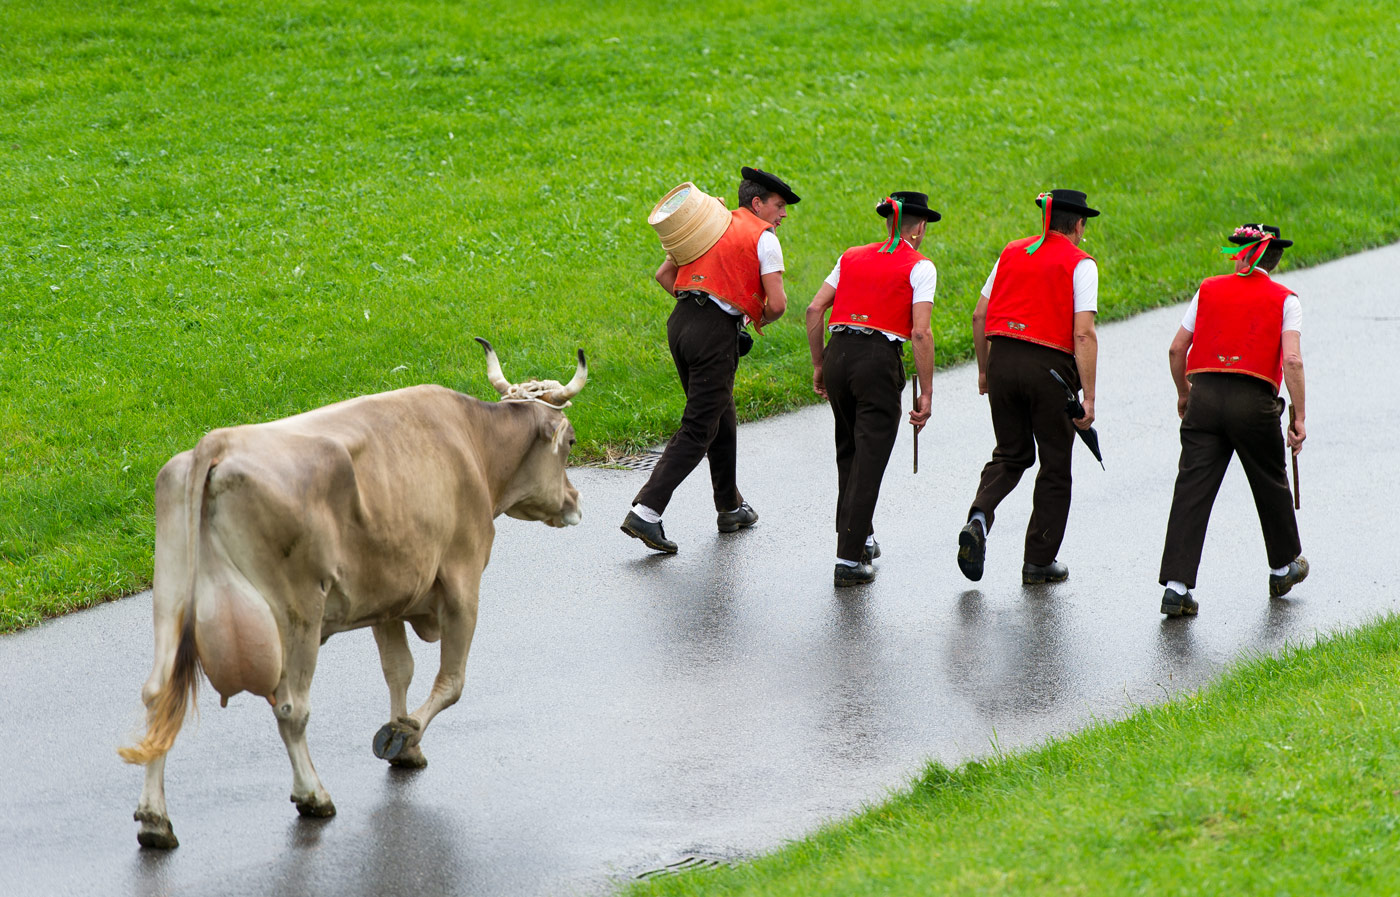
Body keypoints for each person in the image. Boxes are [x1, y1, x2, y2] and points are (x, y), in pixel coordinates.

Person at [621, 166, 798, 553]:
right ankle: (646, 513)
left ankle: (730, 506)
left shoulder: (713, 222)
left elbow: (664, 275)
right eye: (779, 206)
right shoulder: (763, 239)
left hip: (680, 323)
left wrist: (701, 310)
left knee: (721, 414)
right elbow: (779, 304)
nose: (783, 215)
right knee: (699, 426)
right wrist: (748, 319)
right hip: (713, 335)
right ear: (758, 203)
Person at [1158, 224, 1308, 617]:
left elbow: (1177, 349)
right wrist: (1300, 416)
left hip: (1204, 398)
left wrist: (1184, 394)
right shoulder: (1285, 300)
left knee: (1191, 488)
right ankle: (1282, 567)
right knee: (1269, 480)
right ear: (1273, 258)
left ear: (1240, 252)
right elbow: (1291, 360)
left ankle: (1176, 586)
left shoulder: (1207, 289)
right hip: (1253, 402)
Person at [958, 189, 1100, 585]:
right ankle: (1039, 560)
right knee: (1055, 464)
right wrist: (1089, 396)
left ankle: (979, 518)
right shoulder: (1081, 264)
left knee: (1010, 453)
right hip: (1049, 369)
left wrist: (985, 371)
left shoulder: (1011, 251)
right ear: (1077, 225)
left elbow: (980, 314)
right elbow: (1084, 334)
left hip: (1002, 359)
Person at [806, 192, 939, 586]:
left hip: (838, 355)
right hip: (876, 363)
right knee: (869, 461)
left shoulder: (851, 256)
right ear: (920, 228)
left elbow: (815, 310)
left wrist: (819, 364)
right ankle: (847, 562)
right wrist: (926, 392)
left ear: (888, 223)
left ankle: (859, 536)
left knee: (848, 451)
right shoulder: (920, 265)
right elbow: (919, 331)